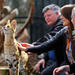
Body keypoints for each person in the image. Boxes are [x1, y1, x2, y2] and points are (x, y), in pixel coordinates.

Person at [18, 4, 67, 75]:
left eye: (49, 15)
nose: (46, 18)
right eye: (45, 16)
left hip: (61, 62)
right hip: (52, 61)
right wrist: (44, 58)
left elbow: (50, 39)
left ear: (57, 13)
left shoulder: (62, 24)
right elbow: (50, 44)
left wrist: (33, 46)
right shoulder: (54, 25)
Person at [53, 5, 75, 75]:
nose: (61, 17)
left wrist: (69, 68)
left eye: (73, 18)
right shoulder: (67, 31)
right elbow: (50, 42)